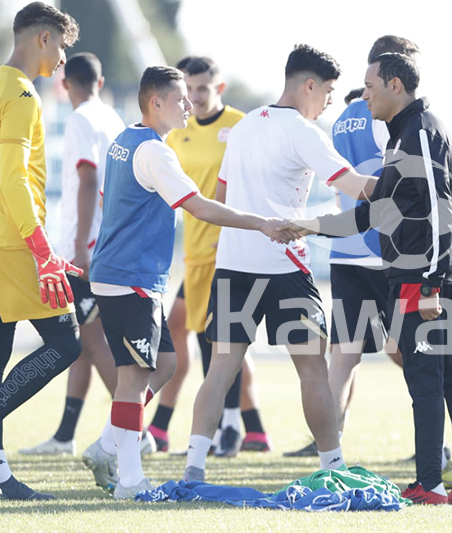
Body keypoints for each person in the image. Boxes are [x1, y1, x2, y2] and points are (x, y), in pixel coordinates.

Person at [285, 52, 452, 505]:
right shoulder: (407, 134)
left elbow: (441, 211)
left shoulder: (419, 132)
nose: (364, 95)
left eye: (369, 86)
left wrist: (429, 285)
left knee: (426, 376)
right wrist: (311, 226)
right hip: (425, 273)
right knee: (449, 372)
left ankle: (429, 484)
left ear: (395, 86)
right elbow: (376, 210)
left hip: (421, 276)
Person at [82, 65, 295, 500]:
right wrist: (262, 223)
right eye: (180, 99)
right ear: (155, 102)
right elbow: (199, 206)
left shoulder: (126, 139)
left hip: (123, 274)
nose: (188, 105)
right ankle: (129, 481)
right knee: (134, 378)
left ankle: (106, 444)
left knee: (164, 366)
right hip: (131, 279)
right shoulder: (157, 152)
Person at [181, 44, 381, 484]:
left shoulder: (246, 125)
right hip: (285, 268)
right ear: (309, 85)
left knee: (220, 369)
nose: (330, 100)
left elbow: (221, 193)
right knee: (312, 368)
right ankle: (334, 468)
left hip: (232, 264)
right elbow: (356, 186)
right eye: (328, 91)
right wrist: (418, 184)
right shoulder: (305, 132)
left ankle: (192, 469)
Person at [284, 35, 418, 461]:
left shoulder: (343, 117)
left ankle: (329, 441)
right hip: (388, 251)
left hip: (346, 250)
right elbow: (403, 181)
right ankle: (435, 442)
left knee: (344, 354)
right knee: (412, 349)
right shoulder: (390, 117)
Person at [148, 56, 269, 457]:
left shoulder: (239, 125)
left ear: (219, 88)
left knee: (214, 341)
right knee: (197, 335)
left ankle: (221, 427)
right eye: (188, 88)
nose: (194, 96)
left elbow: (259, 180)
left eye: (202, 88)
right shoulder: (175, 132)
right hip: (195, 253)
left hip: (227, 251)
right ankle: (247, 430)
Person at [0, 1, 82, 501]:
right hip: (14, 242)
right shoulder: (22, 91)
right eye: (62, 46)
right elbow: (13, 177)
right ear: (43, 38)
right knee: (67, 341)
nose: (63, 58)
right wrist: (41, 248)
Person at [18, 52, 124, 458]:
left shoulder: (81, 119)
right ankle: (65, 435)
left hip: (87, 247)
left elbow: (87, 178)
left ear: (65, 84)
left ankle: (135, 428)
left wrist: (79, 244)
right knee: (80, 339)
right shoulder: (112, 117)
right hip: (108, 240)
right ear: (100, 81)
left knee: (91, 342)